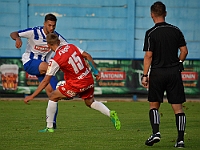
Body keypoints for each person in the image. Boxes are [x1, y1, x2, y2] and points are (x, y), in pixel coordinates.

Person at [24, 33, 121, 132]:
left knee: (53, 96)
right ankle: (110, 113)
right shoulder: (71, 46)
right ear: (58, 41)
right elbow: (87, 55)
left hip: (77, 84)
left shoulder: (55, 60)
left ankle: (49, 127)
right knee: (89, 102)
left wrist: (32, 96)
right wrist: (96, 72)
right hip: (88, 79)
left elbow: (45, 81)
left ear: (48, 46)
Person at [141, 1, 188, 148]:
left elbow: (149, 55)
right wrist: (179, 63)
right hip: (174, 72)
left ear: (152, 15)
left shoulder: (151, 33)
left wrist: (144, 75)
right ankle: (180, 140)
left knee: (154, 106)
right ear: (165, 13)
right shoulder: (176, 30)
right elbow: (184, 51)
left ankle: (156, 132)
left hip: (158, 73)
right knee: (178, 108)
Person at [10, 13, 68, 129]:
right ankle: (67, 85)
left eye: (54, 26)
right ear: (44, 24)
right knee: (50, 67)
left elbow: (68, 48)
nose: (51, 28)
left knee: (53, 94)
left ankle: (51, 125)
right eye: (49, 25)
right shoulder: (34, 32)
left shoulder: (56, 37)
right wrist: (17, 39)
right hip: (30, 63)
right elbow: (14, 33)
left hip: (46, 68)